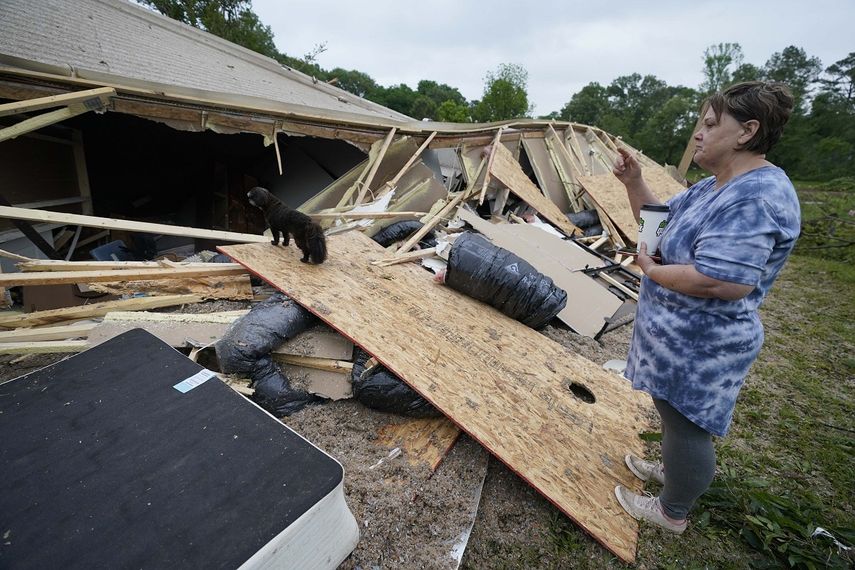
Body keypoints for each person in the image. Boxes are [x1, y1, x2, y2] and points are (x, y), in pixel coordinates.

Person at [611, 81, 801, 533]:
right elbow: (659, 221)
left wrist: (651, 271)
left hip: (702, 346)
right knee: (674, 421)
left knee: (688, 428)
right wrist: (634, 182)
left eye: (710, 124)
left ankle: (672, 511)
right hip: (678, 341)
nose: (698, 133)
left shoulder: (755, 196)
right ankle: (675, 475)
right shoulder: (716, 186)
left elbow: (723, 280)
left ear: (747, 131)